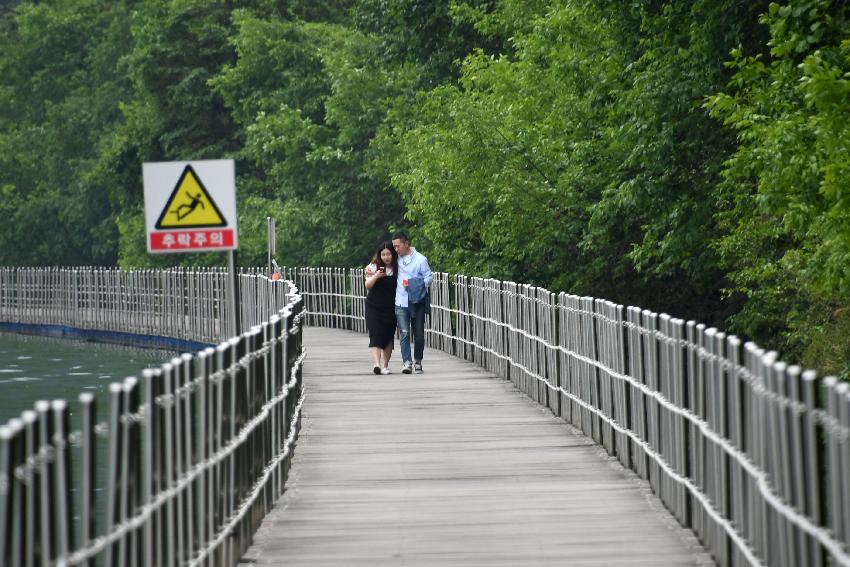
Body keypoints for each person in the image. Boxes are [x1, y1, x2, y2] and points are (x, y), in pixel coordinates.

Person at [391, 231, 432, 374]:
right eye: (394, 247)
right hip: (400, 301)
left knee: (419, 333)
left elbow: (429, 278)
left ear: (406, 243)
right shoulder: (395, 259)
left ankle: (418, 361)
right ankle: (406, 362)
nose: (396, 249)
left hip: (417, 301)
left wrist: (414, 284)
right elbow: (380, 260)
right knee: (404, 333)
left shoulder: (421, 259)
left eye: (398, 246)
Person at [364, 241, 399, 375]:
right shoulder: (372, 267)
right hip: (374, 306)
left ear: (393, 255)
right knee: (376, 333)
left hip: (390, 307)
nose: (386, 257)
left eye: (389, 254)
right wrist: (377, 275)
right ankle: (377, 364)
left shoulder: (397, 267)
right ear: (379, 255)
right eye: (383, 254)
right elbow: (367, 285)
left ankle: (385, 365)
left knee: (389, 335)